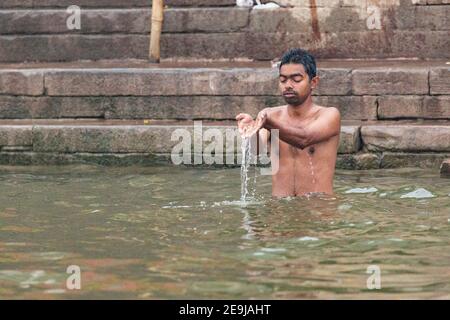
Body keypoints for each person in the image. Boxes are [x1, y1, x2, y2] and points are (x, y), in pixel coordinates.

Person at [236, 48, 341, 197]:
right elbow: (255, 150)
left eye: (296, 79)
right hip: (279, 210)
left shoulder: (329, 115)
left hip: (317, 210)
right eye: (283, 79)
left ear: (314, 82)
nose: (288, 85)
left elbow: (304, 138)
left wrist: (266, 122)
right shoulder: (270, 115)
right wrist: (251, 130)